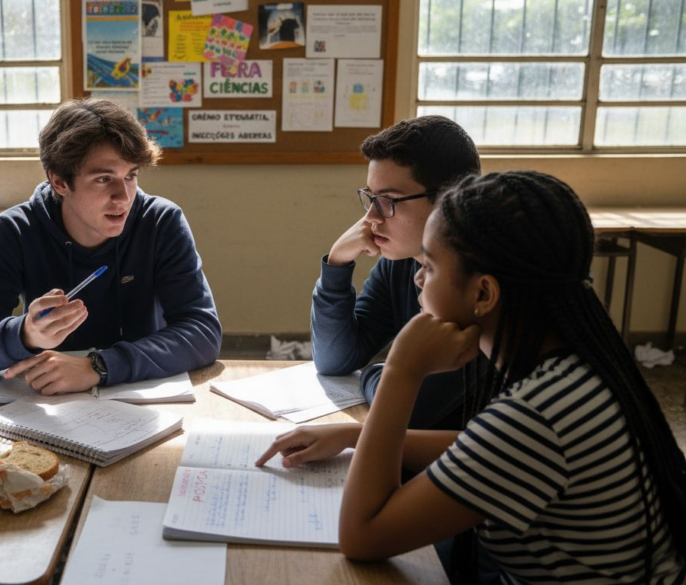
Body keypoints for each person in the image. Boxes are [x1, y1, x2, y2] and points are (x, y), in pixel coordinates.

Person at [259, 171, 686, 583]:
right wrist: (353, 435)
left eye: (429, 265)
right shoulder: (573, 371)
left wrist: (401, 373)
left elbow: (363, 536)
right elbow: (487, 447)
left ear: (483, 294)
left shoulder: (537, 416)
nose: (418, 278)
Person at [0, 98, 221, 394]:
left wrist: (98, 366)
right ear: (60, 182)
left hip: (140, 395)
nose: (123, 197)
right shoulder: (16, 229)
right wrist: (25, 333)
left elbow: (202, 332)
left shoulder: (160, 221)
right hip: (46, 398)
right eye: (104, 179)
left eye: (130, 176)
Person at [312, 115, 481, 431]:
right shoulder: (401, 261)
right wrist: (336, 266)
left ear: (448, 198)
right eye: (371, 198)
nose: (372, 217)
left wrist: (379, 370)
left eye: (388, 201)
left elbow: (411, 410)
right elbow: (334, 360)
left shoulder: (471, 285)